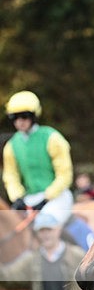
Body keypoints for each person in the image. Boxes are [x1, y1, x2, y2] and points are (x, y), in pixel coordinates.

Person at [2, 90, 74, 227]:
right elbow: (10, 176)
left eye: (24, 116)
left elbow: (65, 175)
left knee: (43, 224)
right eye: (14, 117)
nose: (19, 121)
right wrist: (17, 197)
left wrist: (46, 198)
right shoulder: (11, 146)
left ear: (34, 116)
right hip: (29, 199)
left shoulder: (53, 138)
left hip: (57, 198)